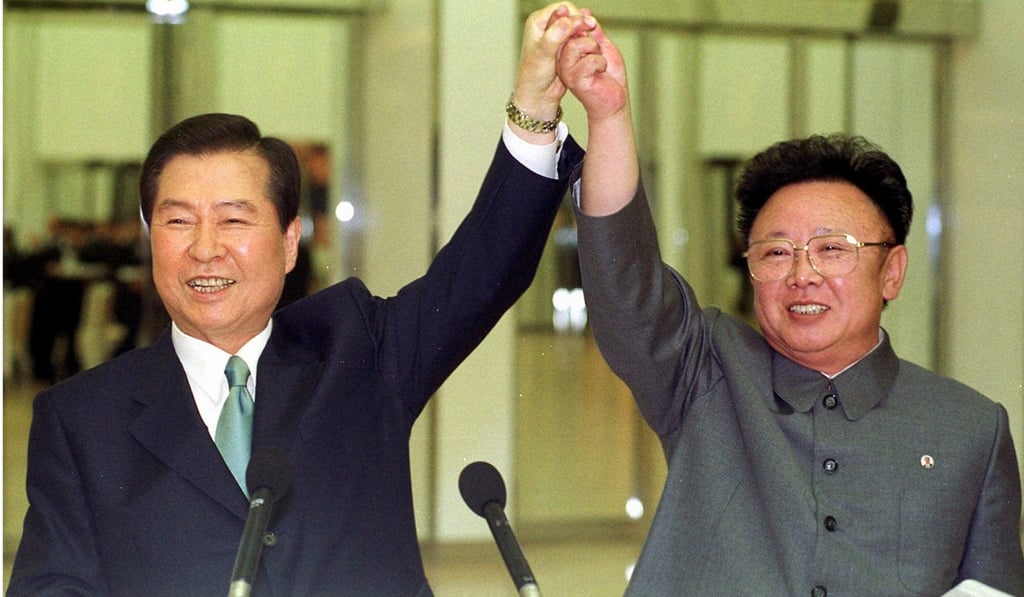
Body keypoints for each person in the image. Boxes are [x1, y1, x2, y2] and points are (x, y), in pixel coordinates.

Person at [7, 4, 596, 595]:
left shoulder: (357, 350)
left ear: (290, 243)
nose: (205, 249)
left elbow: (480, 272)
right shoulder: (82, 418)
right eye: (179, 221)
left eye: (235, 220)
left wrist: (535, 111)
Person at [555, 17, 1024, 596]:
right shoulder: (706, 373)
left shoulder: (969, 427)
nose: (802, 275)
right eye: (776, 252)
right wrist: (607, 116)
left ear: (893, 272)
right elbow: (624, 277)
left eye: (833, 250)